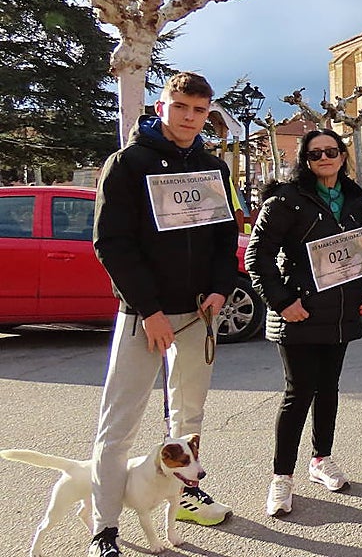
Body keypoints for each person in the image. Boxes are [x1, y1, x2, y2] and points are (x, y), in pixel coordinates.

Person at [88, 72, 237, 557]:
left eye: (199, 110)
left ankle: (186, 496)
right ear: (161, 107)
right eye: (181, 108)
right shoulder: (127, 164)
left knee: (188, 417)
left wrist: (218, 290)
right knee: (119, 424)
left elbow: (222, 237)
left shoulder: (213, 166)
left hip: (197, 315)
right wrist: (149, 310)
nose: (190, 118)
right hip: (143, 316)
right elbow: (111, 243)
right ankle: (105, 527)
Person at [246, 129, 362, 516]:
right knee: (297, 393)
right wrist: (284, 302)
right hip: (299, 313)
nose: (324, 158)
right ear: (305, 160)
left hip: (339, 313)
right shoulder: (286, 200)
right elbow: (258, 256)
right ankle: (281, 478)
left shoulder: (355, 198)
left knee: (328, 389)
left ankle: (321, 459)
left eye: (331, 151)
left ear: (342, 155)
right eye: (315, 153)